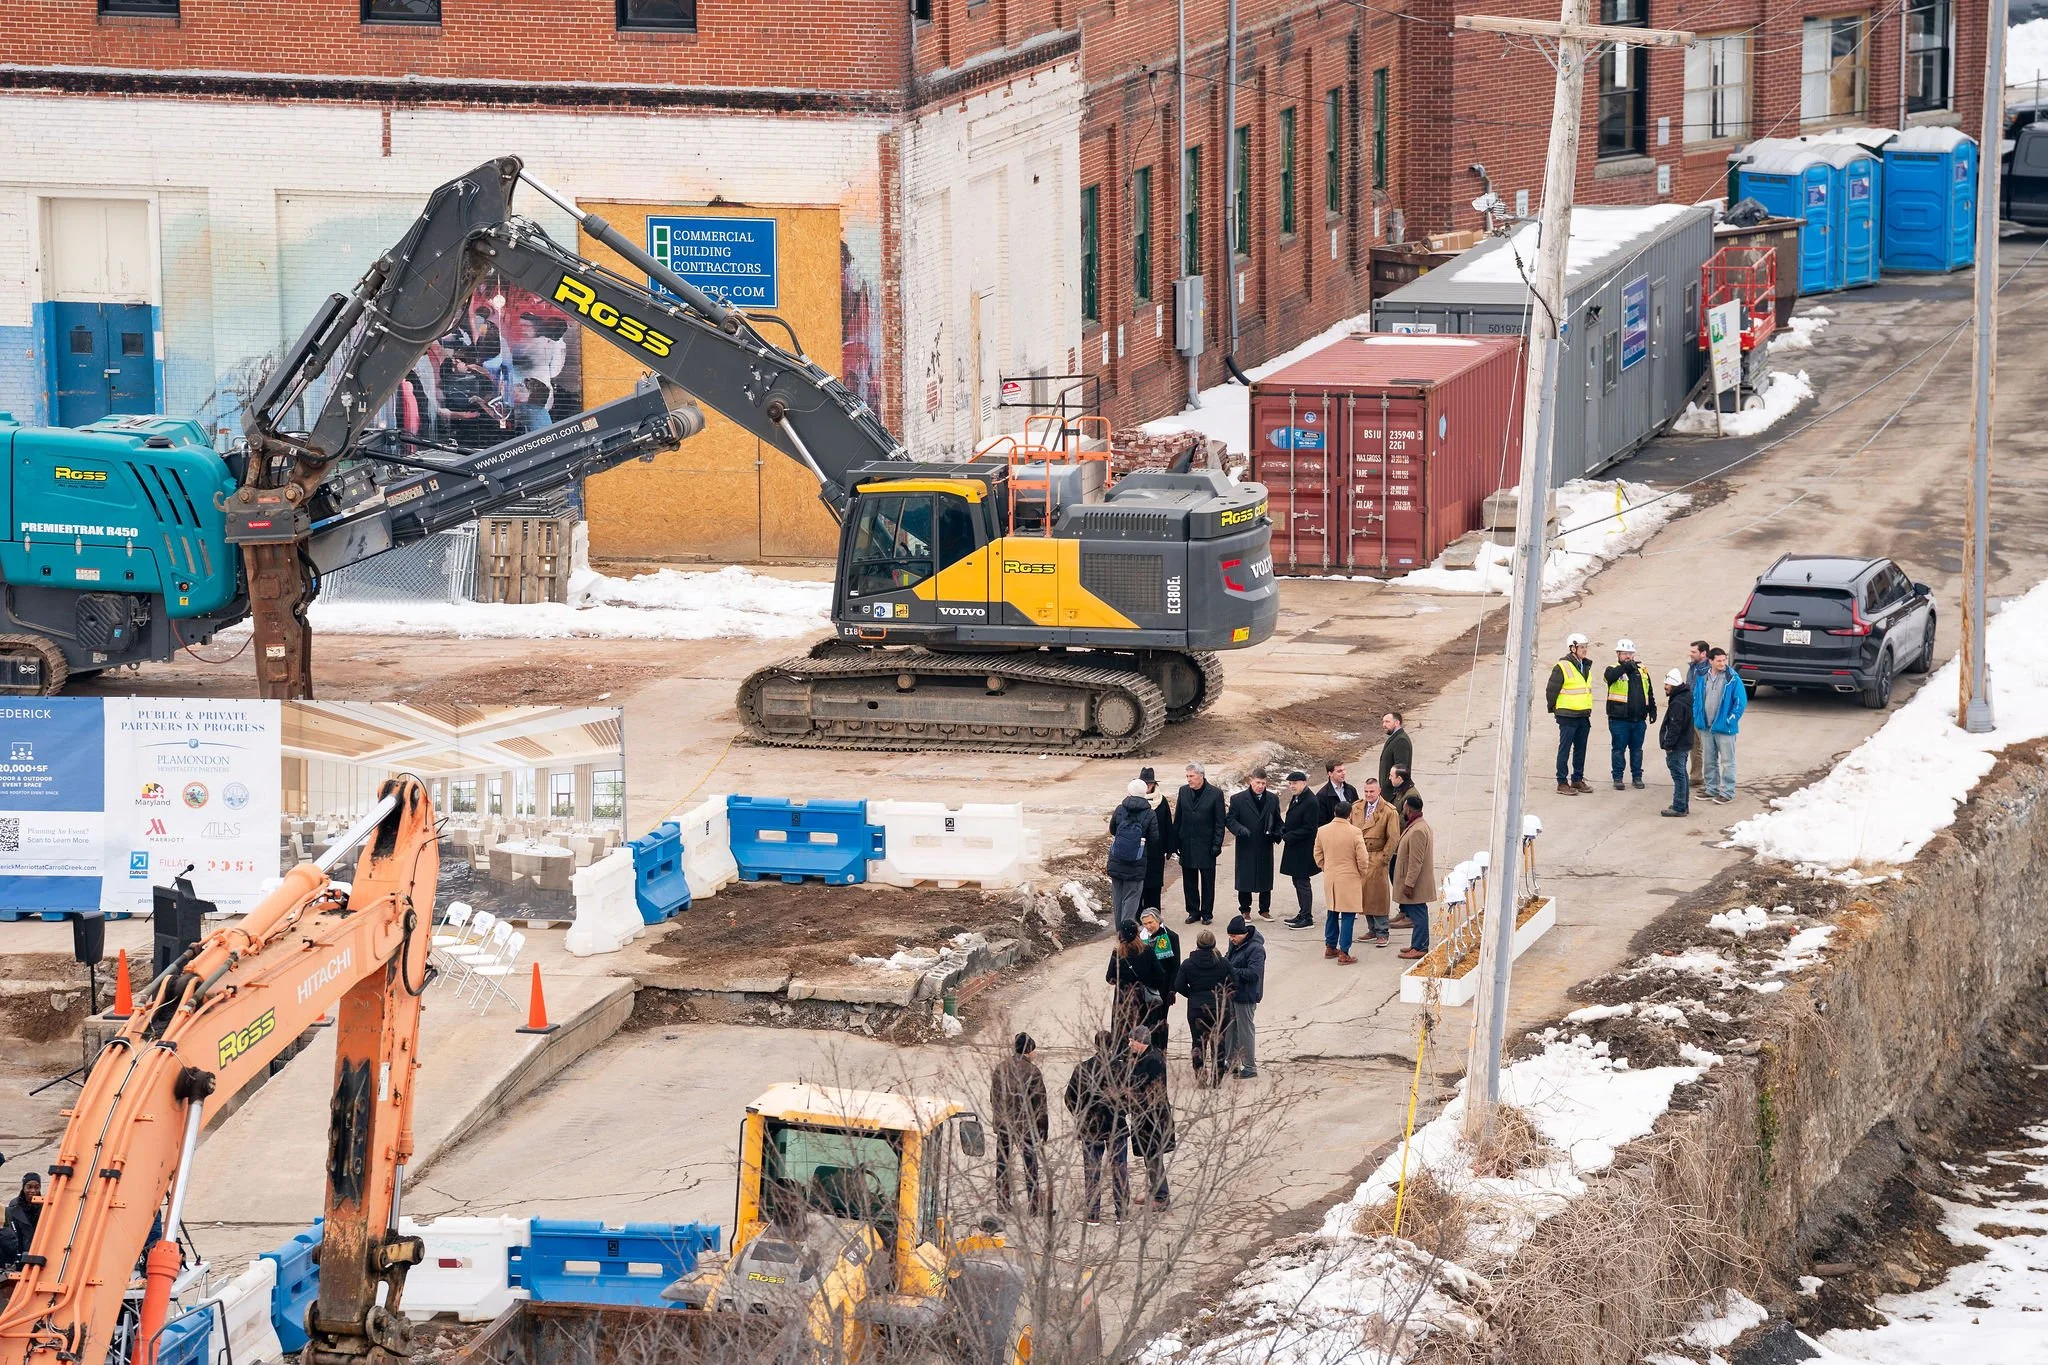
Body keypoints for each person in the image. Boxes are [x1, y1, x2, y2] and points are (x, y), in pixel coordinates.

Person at [1064, 1031, 1130, 1225]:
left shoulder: (1083, 1069)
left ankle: (1093, 1213)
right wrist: (1122, 1112)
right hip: (1115, 1125)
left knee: (1092, 1170)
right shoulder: (1121, 1068)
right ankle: (1122, 1213)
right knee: (1120, 1168)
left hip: (1090, 1127)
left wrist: (1081, 1115)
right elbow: (1131, 1097)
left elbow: (1070, 1097)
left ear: (1095, 1045)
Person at [989, 1034, 1049, 1215]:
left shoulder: (1001, 1068)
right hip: (1025, 1126)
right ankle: (1034, 1204)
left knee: (1003, 1163)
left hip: (1004, 1124)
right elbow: (1040, 1103)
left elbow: (994, 1097)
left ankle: (1002, 1201)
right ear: (1029, 1051)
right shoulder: (1032, 1072)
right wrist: (1043, 1128)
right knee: (1030, 1164)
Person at [1314, 799, 1372, 963]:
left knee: (1332, 912)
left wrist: (1325, 867)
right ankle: (1344, 952)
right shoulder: (1354, 832)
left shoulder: (1322, 830)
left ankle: (1330, 946)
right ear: (1350, 814)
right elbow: (1362, 857)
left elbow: (1317, 853)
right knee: (1347, 915)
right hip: (1349, 878)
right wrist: (1362, 873)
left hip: (1331, 878)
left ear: (1334, 813)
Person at [1124, 1026, 1174, 1209]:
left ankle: (1162, 1197)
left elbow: (1152, 1091)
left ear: (1141, 1041)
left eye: (1132, 1041)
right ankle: (1155, 1189)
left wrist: (1131, 1094)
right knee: (1149, 1155)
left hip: (1153, 1117)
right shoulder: (1142, 1057)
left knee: (1154, 1155)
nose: (1130, 1044)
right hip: (1143, 1114)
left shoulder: (1153, 1060)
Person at [1225, 768, 1283, 920]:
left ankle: (1264, 909)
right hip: (1246, 844)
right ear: (1251, 781)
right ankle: (1245, 909)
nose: (1260, 786)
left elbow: (1278, 820)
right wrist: (1240, 830)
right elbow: (1230, 819)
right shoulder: (1238, 799)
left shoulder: (1272, 799)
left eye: (1263, 783)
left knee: (1265, 877)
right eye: (1258, 782)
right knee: (1245, 877)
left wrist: (1278, 833)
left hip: (1265, 843)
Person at [1173, 763, 1227, 924]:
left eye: (1192, 776)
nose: (1189, 780)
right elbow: (1179, 818)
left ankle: (1207, 913)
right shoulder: (1183, 791)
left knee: (1207, 881)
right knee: (1189, 881)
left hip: (1206, 845)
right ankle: (1193, 911)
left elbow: (1219, 822)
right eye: (1187, 776)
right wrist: (1176, 841)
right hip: (1187, 844)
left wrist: (1217, 844)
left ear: (1201, 776)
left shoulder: (1215, 794)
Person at [1175, 929, 1231, 1085]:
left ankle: (1200, 1075)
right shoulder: (1223, 963)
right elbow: (1234, 983)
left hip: (1196, 1008)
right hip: (1219, 1008)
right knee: (1218, 1043)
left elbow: (1179, 985)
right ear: (1214, 944)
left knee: (1198, 1042)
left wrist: (1192, 995)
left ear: (1197, 944)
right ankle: (1217, 1078)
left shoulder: (1188, 964)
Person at [1350, 776, 1401, 945]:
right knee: (1364, 895)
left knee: (1378, 895)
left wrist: (1383, 859)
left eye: (1372, 791)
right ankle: (1371, 929)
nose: (1368, 794)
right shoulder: (1356, 807)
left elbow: (1393, 837)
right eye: (1366, 791)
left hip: (1377, 856)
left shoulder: (1388, 811)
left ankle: (1382, 931)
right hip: (1359, 857)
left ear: (1379, 791)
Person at [1693, 647, 1747, 805]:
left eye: (1724, 660)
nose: (1723, 663)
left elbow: (1740, 702)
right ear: (1710, 661)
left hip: (1725, 728)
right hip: (1706, 726)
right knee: (1709, 759)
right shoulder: (1703, 676)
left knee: (1727, 761)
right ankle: (1711, 789)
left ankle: (1728, 792)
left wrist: (1730, 720)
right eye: (1719, 661)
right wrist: (1697, 717)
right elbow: (1697, 699)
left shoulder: (1732, 678)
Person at [1603, 638, 1659, 791]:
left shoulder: (1641, 670)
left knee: (1637, 750)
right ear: (1618, 654)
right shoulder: (1612, 668)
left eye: (1630, 653)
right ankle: (1618, 777)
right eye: (1624, 653)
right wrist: (1626, 667)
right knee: (1618, 749)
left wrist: (1652, 708)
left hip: (1639, 719)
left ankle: (1637, 776)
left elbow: (1649, 691)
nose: (1627, 656)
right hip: (1619, 719)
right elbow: (1610, 677)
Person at [1546, 632, 1596, 795]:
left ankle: (1577, 779)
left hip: (1582, 714)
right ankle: (1562, 782)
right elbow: (1551, 691)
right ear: (1572, 648)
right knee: (1565, 748)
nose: (1585, 650)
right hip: (1567, 715)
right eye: (1582, 647)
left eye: (1586, 647)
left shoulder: (1585, 666)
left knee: (1580, 748)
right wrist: (1556, 710)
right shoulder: (1562, 666)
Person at [1106, 779, 1159, 929]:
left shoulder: (1120, 809)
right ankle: (1126, 931)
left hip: (1117, 859)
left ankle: (1119, 929)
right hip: (1137, 862)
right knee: (1132, 897)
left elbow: (1112, 830)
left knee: (1118, 897)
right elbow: (1154, 838)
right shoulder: (1150, 814)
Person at [1392, 796, 1436, 961]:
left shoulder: (1418, 830)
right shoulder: (1417, 825)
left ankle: (1420, 947)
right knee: (1418, 913)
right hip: (1415, 881)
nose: (1403, 810)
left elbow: (1416, 861)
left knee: (1418, 915)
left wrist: (1409, 884)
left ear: (1409, 809)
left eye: (1404, 808)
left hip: (1416, 882)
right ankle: (1416, 944)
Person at [1278, 771, 1322, 929]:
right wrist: (1284, 829)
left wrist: (1290, 835)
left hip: (1303, 849)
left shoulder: (1310, 801)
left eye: (1295, 783)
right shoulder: (1298, 797)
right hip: (1295, 847)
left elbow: (1310, 829)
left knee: (1303, 882)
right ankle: (1302, 912)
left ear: (1304, 783)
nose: (1291, 786)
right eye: (1290, 783)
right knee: (1297, 881)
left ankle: (1307, 917)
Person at [1223, 915, 1266, 1079]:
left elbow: (1254, 974)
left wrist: (1232, 970)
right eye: (1229, 936)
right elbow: (1229, 958)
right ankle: (1231, 1061)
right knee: (1230, 1029)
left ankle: (1249, 1066)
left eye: (1234, 936)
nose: (1231, 939)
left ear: (1243, 934)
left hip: (1246, 995)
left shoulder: (1256, 949)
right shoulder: (1235, 943)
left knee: (1245, 1030)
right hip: (1232, 993)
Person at [1135, 908, 1182, 1050]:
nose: (1148, 926)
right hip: (1144, 988)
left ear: (1158, 920)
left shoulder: (1171, 937)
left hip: (1162, 987)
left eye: (1151, 922)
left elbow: (1175, 965)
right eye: (1145, 923)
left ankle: (1160, 1049)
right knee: (1144, 1021)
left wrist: (1173, 989)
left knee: (1160, 1021)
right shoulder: (1141, 938)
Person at [1106, 923, 1157, 1042]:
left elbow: (1110, 978)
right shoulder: (1147, 950)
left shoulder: (1117, 953)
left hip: (1122, 999)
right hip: (1142, 997)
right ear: (1138, 934)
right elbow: (1159, 974)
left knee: (1121, 1032)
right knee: (1141, 1030)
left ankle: (1121, 1056)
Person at [1658, 667, 1696, 818]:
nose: (1665, 687)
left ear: (1673, 685)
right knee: (1683, 774)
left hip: (1677, 745)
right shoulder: (1685, 697)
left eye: (1667, 685)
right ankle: (1682, 804)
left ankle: (1679, 807)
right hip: (1685, 743)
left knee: (1678, 775)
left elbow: (1674, 726)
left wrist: (1668, 744)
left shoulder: (1677, 704)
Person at [1138, 767, 1174, 912]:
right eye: (1145, 783)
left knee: (1154, 883)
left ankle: (1153, 911)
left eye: (1150, 783)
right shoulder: (1134, 799)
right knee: (1139, 883)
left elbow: (1167, 824)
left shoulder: (1161, 800)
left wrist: (1170, 847)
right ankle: (1139, 913)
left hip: (1156, 849)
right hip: (1139, 850)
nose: (1148, 786)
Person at [1686, 640, 1713, 789]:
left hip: (1703, 713)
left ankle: (1711, 781)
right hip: (1691, 711)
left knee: (1707, 746)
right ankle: (1696, 777)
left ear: (1703, 653)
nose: (1690, 654)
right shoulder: (1693, 667)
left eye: (1693, 652)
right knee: (1694, 745)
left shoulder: (1709, 669)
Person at [5, 1175, 38, 1264]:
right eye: (29, 1187)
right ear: (23, 1187)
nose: (33, 1191)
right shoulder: (13, 1207)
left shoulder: (44, 1206)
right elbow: (12, 1233)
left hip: (39, 1251)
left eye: (36, 1187)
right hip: (21, 1254)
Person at [1377, 712, 1412, 793]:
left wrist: (1387, 787)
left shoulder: (1401, 740)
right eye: (1383, 722)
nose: (1384, 725)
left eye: (1387, 722)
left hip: (1393, 792)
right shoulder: (1395, 737)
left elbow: (1401, 769)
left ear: (1397, 722)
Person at [1316, 760, 1359, 824]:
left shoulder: (1351, 789)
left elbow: (1357, 811)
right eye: (1339, 771)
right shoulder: (1322, 796)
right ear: (1330, 774)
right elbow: (1321, 821)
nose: (1343, 773)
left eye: (1344, 770)